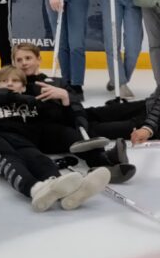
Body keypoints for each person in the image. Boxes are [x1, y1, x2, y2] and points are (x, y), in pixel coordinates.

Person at [0, 66, 111, 211]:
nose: (9, 84)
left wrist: (65, 98)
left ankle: (71, 193)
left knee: (40, 160)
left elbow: (61, 120)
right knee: (1, 151)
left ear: (23, 87)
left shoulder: (33, 105)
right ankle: (35, 189)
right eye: (4, 81)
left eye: (15, 81)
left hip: (25, 142)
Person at [9, 42, 134, 179]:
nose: (24, 63)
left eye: (28, 58)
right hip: (41, 133)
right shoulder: (14, 85)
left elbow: (76, 107)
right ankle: (103, 162)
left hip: (66, 123)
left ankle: (110, 156)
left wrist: (65, 97)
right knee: (68, 132)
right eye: (19, 60)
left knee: (90, 124)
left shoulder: (57, 82)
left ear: (38, 59)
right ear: (14, 63)